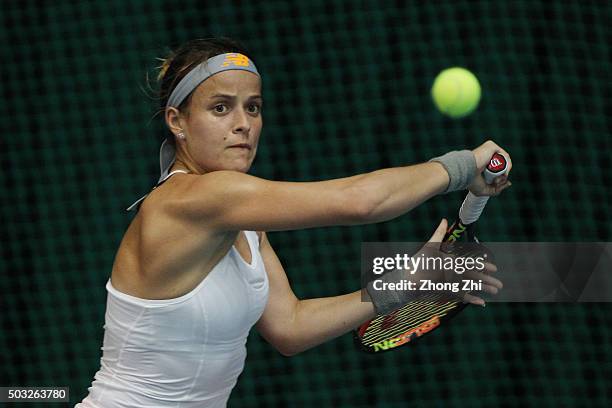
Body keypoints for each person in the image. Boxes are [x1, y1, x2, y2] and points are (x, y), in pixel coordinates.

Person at [77, 37, 511, 407]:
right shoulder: (195, 198)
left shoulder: (245, 221)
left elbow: (290, 328)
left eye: (253, 108)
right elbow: (359, 202)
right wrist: (462, 166)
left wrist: (399, 287)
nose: (243, 124)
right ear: (178, 123)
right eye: (221, 108)